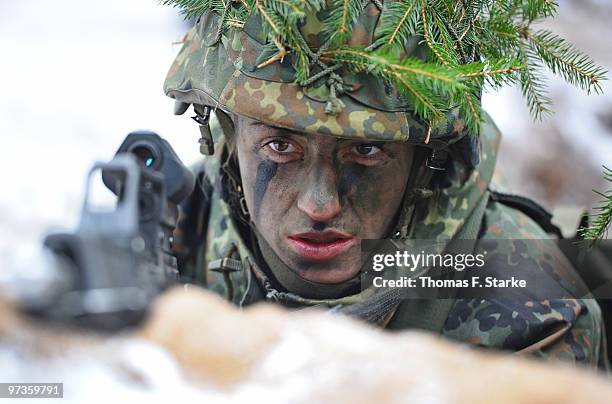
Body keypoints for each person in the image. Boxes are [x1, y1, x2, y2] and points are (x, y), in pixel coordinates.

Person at [164, 6, 608, 368]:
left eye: (367, 151)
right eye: (280, 146)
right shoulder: (185, 217)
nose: (319, 205)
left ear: (426, 160)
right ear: (227, 130)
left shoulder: (527, 315)